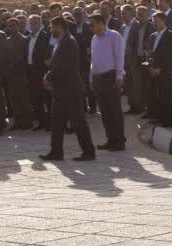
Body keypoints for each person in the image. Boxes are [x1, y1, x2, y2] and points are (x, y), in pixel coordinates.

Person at [40, 17, 95, 161]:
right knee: (57, 122)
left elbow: (62, 66)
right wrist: (49, 75)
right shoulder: (61, 42)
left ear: (60, 27)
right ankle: (56, 152)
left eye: (53, 27)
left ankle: (89, 152)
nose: (51, 30)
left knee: (78, 122)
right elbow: (56, 64)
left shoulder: (69, 42)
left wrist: (48, 77)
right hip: (61, 90)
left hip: (71, 90)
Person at [87, 12, 126, 151]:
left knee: (114, 110)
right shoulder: (94, 39)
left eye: (92, 25)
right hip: (98, 79)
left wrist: (119, 76)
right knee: (104, 111)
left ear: (100, 23)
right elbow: (93, 60)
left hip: (110, 77)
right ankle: (111, 139)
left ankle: (119, 140)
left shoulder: (114, 36)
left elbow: (119, 57)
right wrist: (91, 77)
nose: (90, 28)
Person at [144, 11, 172, 126]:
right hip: (153, 70)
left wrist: (160, 68)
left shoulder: (171, 35)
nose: (155, 23)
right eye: (153, 21)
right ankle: (158, 117)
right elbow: (149, 53)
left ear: (164, 21)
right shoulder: (153, 36)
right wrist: (150, 66)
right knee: (156, 95)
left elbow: (171, 55)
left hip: (166, 71)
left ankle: (168, 120)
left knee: (167, 95)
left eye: (157, 21)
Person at [1, 16, 32, 131]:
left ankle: (27, 121)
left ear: (18, 26)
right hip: (10, 75)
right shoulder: (7, 41)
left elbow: (22, 58)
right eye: (9, 26)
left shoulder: (24, 40)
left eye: (13, 25)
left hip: (20, 74)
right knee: (13, 100)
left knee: (23, 99)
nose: (11, 28)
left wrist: (12, 67)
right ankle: (18, 121)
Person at [24, 13, 50, 129]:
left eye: (36, 22)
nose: (33, 25)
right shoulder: (28, 38)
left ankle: (51, 122)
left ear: (40, 23)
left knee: (47, 98)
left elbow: (47, 55)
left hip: (42, 71)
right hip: (30, 71)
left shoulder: (45, 36)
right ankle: (41, 122)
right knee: (35, 98)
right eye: (31, 23)